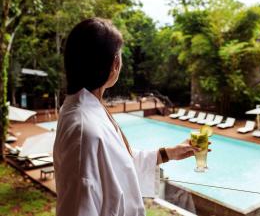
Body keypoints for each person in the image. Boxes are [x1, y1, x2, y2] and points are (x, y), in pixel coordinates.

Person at [53, 18, 205, 216]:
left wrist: (168, 153)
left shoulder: (89, 110)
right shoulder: (84, 130)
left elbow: (118, 166)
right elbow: (76, 209)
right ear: (115, 63)